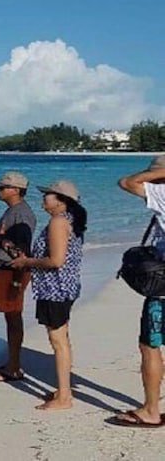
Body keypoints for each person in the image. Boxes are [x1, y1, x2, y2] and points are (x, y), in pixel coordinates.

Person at [10, 180, 87, 411]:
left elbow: (55, 260)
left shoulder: (58, 221)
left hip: (56, 288)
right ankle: (64, 390)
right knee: (61, 338)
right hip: (65, 286)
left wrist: (26, 261)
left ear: (61, 201)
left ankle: (64, 397)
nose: (44, 198)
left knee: (58, 341)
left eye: (48, 195)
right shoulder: (70, 220)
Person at [114, 155, 165, 427]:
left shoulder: (162, 193)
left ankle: (151, 410)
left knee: (150, 345)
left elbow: (126, 182)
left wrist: (156, 176)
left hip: (163, 291)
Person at [0, 171, 37, 383]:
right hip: (6, 271)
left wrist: (16, 281)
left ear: (15, 190)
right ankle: (12, 362)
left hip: (12, 272)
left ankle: (14, 367)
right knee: (11, 317)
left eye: (2, 187)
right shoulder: (14, 211)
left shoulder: (20, 214)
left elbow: (22, 251)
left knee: (13, 317)